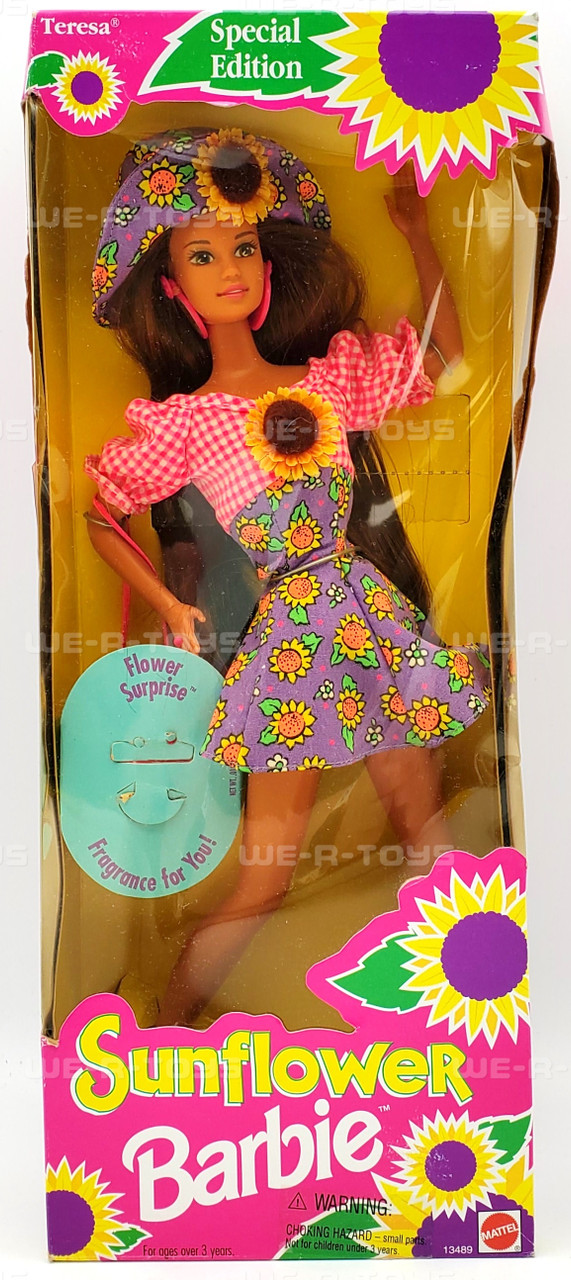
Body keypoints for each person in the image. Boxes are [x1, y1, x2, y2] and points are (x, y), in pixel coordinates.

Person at [84, 127, 491, 1024]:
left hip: (368, 619)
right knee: (264, 878)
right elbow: (101, 513)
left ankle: (467, 1006)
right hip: (292, 645)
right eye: (201, 255)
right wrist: (168, 604)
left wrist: (417, 234)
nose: (227, 268)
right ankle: (161, 1030)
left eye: (241, 248)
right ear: (172, 287)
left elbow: (441, 360)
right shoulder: (183, 423)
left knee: (423, 830)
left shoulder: (326, 380)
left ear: (267, 266)